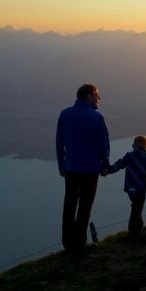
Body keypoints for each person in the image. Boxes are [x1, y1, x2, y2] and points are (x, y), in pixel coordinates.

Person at [55, 83, 110, 252]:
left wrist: (61, 164)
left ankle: (67, 243)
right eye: (97, 96)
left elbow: (59, 143)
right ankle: (79, 243)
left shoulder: (65, 114)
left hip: (71, 169)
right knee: (85, 206)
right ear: (89, 96)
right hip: (90, 170)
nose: (99, 99)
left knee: (69, 205)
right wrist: (105, 164)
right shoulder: (96, 118)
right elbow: (104, 145)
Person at [104, 135, 146, 237]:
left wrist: (108, 170)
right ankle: (133, 230)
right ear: (145, 146)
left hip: (130, 188)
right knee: (137, 207)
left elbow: (118, 165)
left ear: (135, 146)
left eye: (133, 145)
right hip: (140, 188)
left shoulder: (129, 156)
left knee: (136, 206)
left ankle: (139, 227)